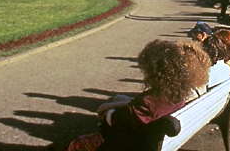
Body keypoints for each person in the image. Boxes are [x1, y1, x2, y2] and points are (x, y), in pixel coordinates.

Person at [66, 40, 210, 151]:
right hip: (146, 138)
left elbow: (112, 119)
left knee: (76, 144)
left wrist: (107, 108)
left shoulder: (148, 102)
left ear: (157, 74)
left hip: (129, 144)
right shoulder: (178, 96)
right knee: (119, 99)